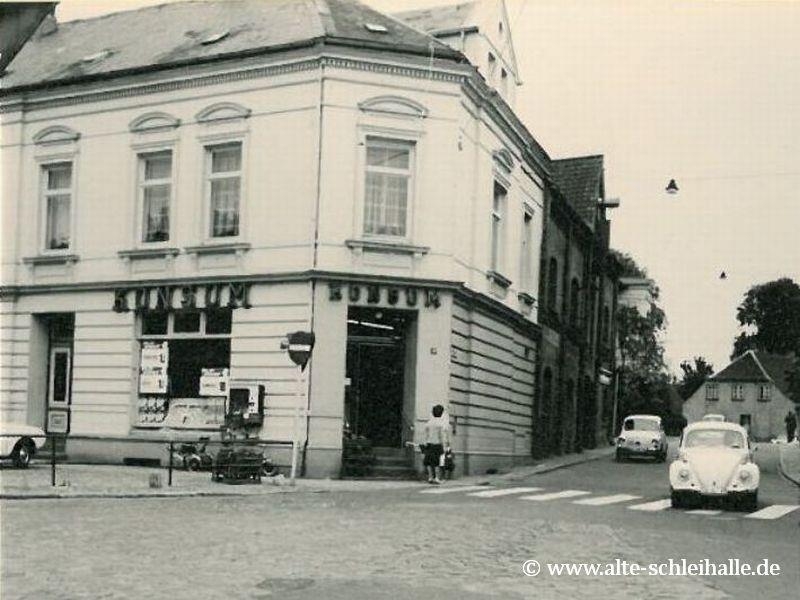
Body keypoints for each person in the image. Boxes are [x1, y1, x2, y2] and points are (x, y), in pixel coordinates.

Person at [422, 404, 450, 484]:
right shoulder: (440, 424)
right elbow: (441, 436)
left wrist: (425, 443)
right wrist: (444, 446)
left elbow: (426, 435)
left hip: (429, 444)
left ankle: (430, 477)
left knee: (428, 461)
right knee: (438, 462)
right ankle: (437, 478)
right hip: (437, 444)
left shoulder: (429, 423)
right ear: (441, 413)